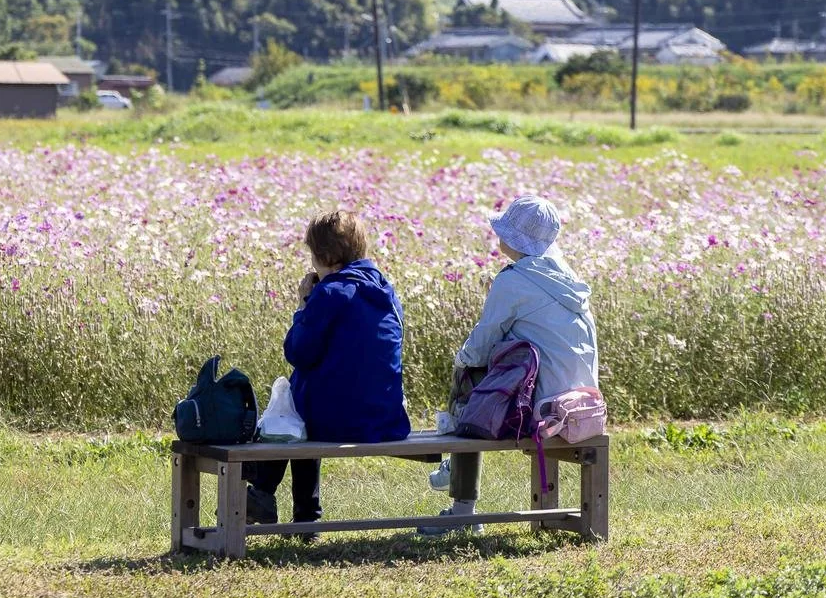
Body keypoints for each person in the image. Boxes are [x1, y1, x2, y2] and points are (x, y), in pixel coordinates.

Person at [427, 195, 598, 530]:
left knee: (469, 375)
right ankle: (455, 470)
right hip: (580, 404)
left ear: (512, 238)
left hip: (540, 409)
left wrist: (460, 360)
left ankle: (463, 506)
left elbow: (482, 341)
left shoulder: (514, 280)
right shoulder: (567, 278)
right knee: (483, 372)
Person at [245, 209, 412, 529]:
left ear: (324, 256)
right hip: (386, 418)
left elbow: (298, 352)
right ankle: (297, 513)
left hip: (335, 422)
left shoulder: (330, 293)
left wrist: (303, 305)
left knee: (292, 408)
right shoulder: (387, 292)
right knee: (308, 394)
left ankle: (268, 494)